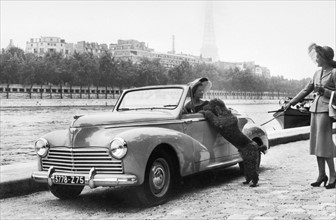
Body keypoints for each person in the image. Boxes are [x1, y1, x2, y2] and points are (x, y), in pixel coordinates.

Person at [284, 43, 336, 189]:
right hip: (315, 111)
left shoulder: (334, 73)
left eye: (318, 56)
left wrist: (324, 91)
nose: (316, 59)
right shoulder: (316, 73)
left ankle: (333, 175)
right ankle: (321, 175)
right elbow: (305, 90)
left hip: (326, 112)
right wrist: (292, 102)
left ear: (325, 58)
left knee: (325, 144)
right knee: (316, 144)